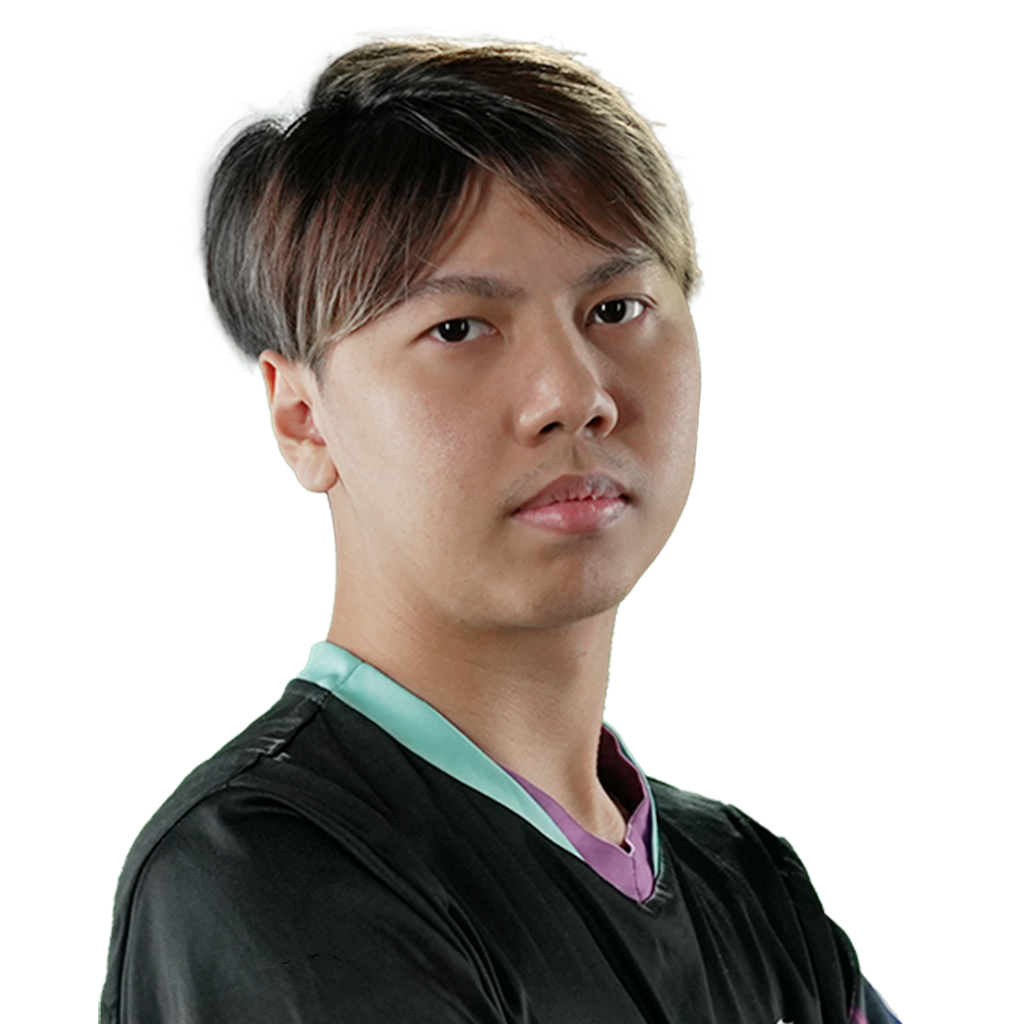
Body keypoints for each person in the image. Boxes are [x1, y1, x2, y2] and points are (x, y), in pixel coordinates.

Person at [100, 24, 903, 1024]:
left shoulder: (750, 887)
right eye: (459, 328)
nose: (574, 395)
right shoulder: (267, 877)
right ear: (303, 417)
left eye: (615, 308)